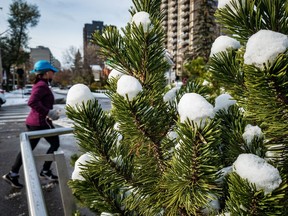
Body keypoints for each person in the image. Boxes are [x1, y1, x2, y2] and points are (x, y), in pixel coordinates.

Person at [2, 60, 61, 189]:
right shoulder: (41, 85)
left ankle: (13, 173)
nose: (53, 73)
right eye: (52, 71)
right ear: (45, 73)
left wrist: (50, 111)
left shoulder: (42, 84)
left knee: (28, 149)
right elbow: (32, 102)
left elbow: (39, 102)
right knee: (55, 143)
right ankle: (44, 171)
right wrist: (48, 113)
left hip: (37, 122)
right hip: (40, 123)